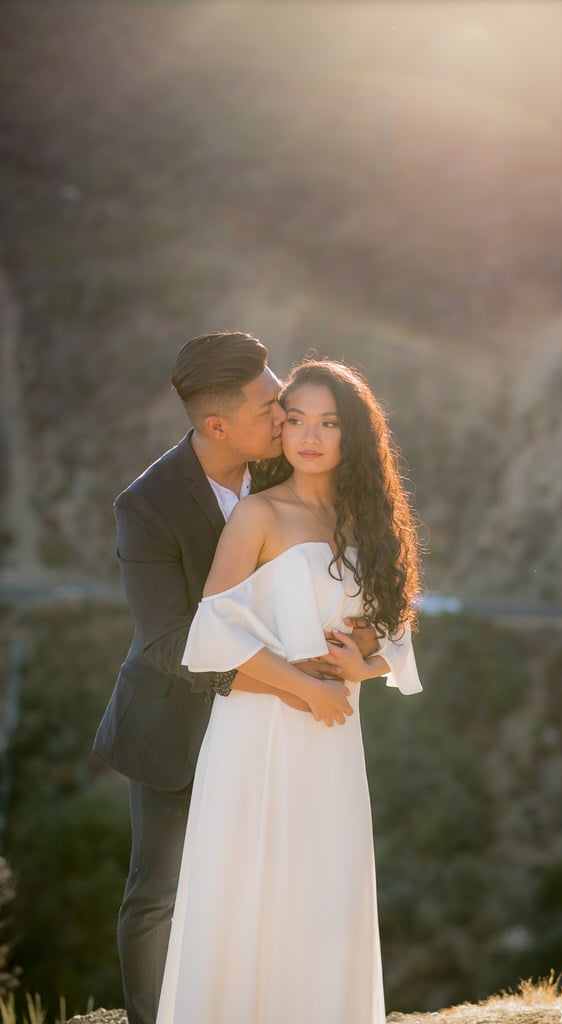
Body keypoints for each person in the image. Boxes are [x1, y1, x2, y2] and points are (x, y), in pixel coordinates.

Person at [92, 333, 361, 1024]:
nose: (286, 418)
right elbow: (169, 643)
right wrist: (297, 686)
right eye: (271, 406)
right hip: (174, 719)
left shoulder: (278, 472)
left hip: (274, 727)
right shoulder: (145, 507)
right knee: (160, 893)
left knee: (270, 886)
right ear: (218, 425)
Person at [155, 359, 423, 1024]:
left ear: (353, 435)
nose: (309, 434)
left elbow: (390, 628)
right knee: (250, 891)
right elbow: (211, 632)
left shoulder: (368, 523)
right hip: (258, 728)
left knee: (324, 893)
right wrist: (306, 686)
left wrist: (365, 666)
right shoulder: (258, 513)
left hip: (333, 730)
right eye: (295, 418)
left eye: (329, 422)